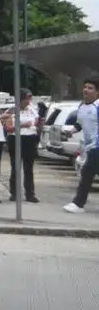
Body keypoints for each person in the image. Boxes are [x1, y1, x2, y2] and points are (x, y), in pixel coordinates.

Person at [64, 76, 99, 214]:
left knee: (87, 173)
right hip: (90, 147)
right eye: (85, 87)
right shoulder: (82, 106)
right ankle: (78, 203)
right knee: (87, 173)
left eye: (90, 88)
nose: (86, 90)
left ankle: (78, 204)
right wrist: (71, 131)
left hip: (97, 147)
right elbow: (80, 124)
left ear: (97, 92)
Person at [5, 88, 39, 203]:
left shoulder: (32, 110)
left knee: (29, 168)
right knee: (16, 167)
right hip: (16, 138)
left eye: (29, 99)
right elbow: (8, 128)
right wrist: (22, 125)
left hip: (30, 139)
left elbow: (36, 122)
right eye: (26, 99)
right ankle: (14, 193)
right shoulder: (12, 110)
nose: (28, 101)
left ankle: (30, 193)